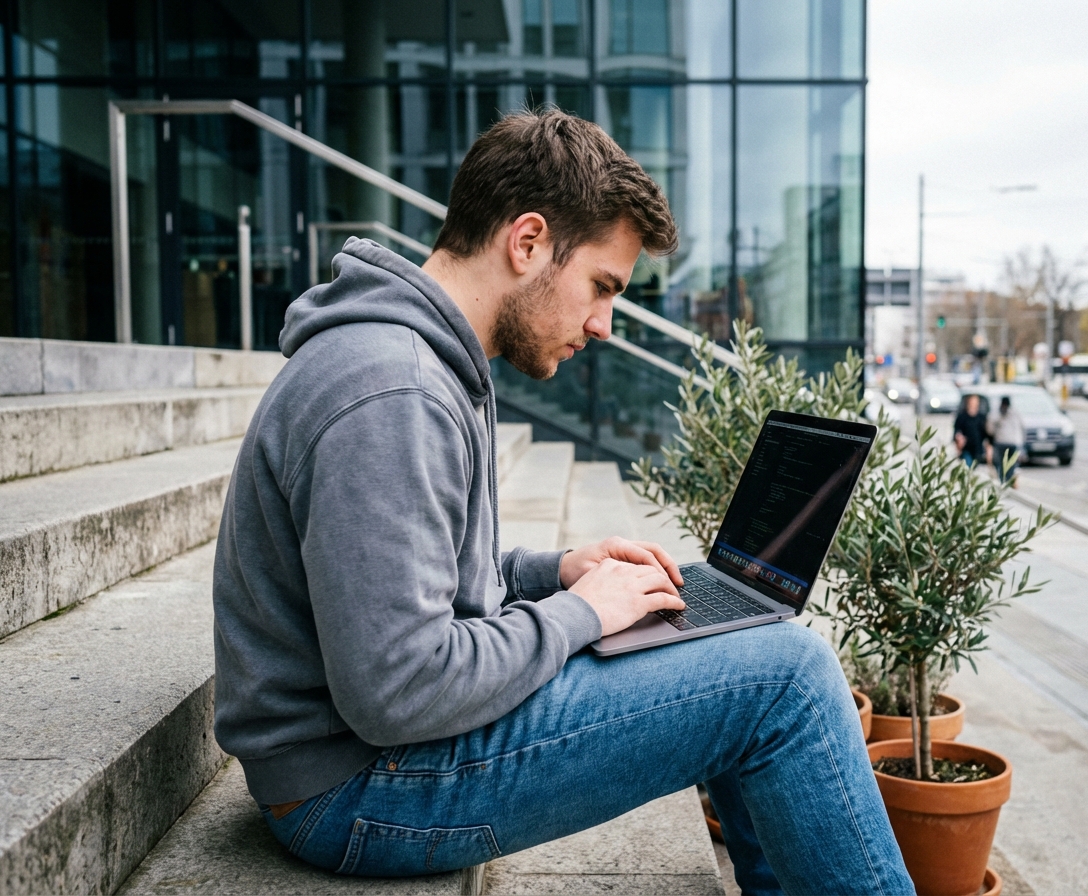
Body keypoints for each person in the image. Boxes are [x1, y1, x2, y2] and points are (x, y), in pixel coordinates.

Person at [211, 108, 913, 896]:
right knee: (789, 678)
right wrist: (584, 615)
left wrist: (559, 572)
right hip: (356, 787)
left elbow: (433, 579)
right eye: (602, 286)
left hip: (364, 756)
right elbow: (400, 690)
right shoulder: (394, 390)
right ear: (529, 242)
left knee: (749, 648)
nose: (606, 324)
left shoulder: (428, 362)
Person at [989, 396, 1025, 486]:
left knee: (1004, 464)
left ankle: (1005, 482)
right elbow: (1022, 428)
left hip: (1004, 442)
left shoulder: (999, 413)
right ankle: (1006, 481)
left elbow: (990, 428)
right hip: (1009, 442)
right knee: (1007, 464)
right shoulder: (1013, 413)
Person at [953, 393, 991, 467]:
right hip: (966, 448)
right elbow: (956, 431)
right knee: (967, 466)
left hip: (978, 449)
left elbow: (986, 434)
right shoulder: (962, 417)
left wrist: (988, 447)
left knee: (974, 467)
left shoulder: (981, 417)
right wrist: (958, 438)